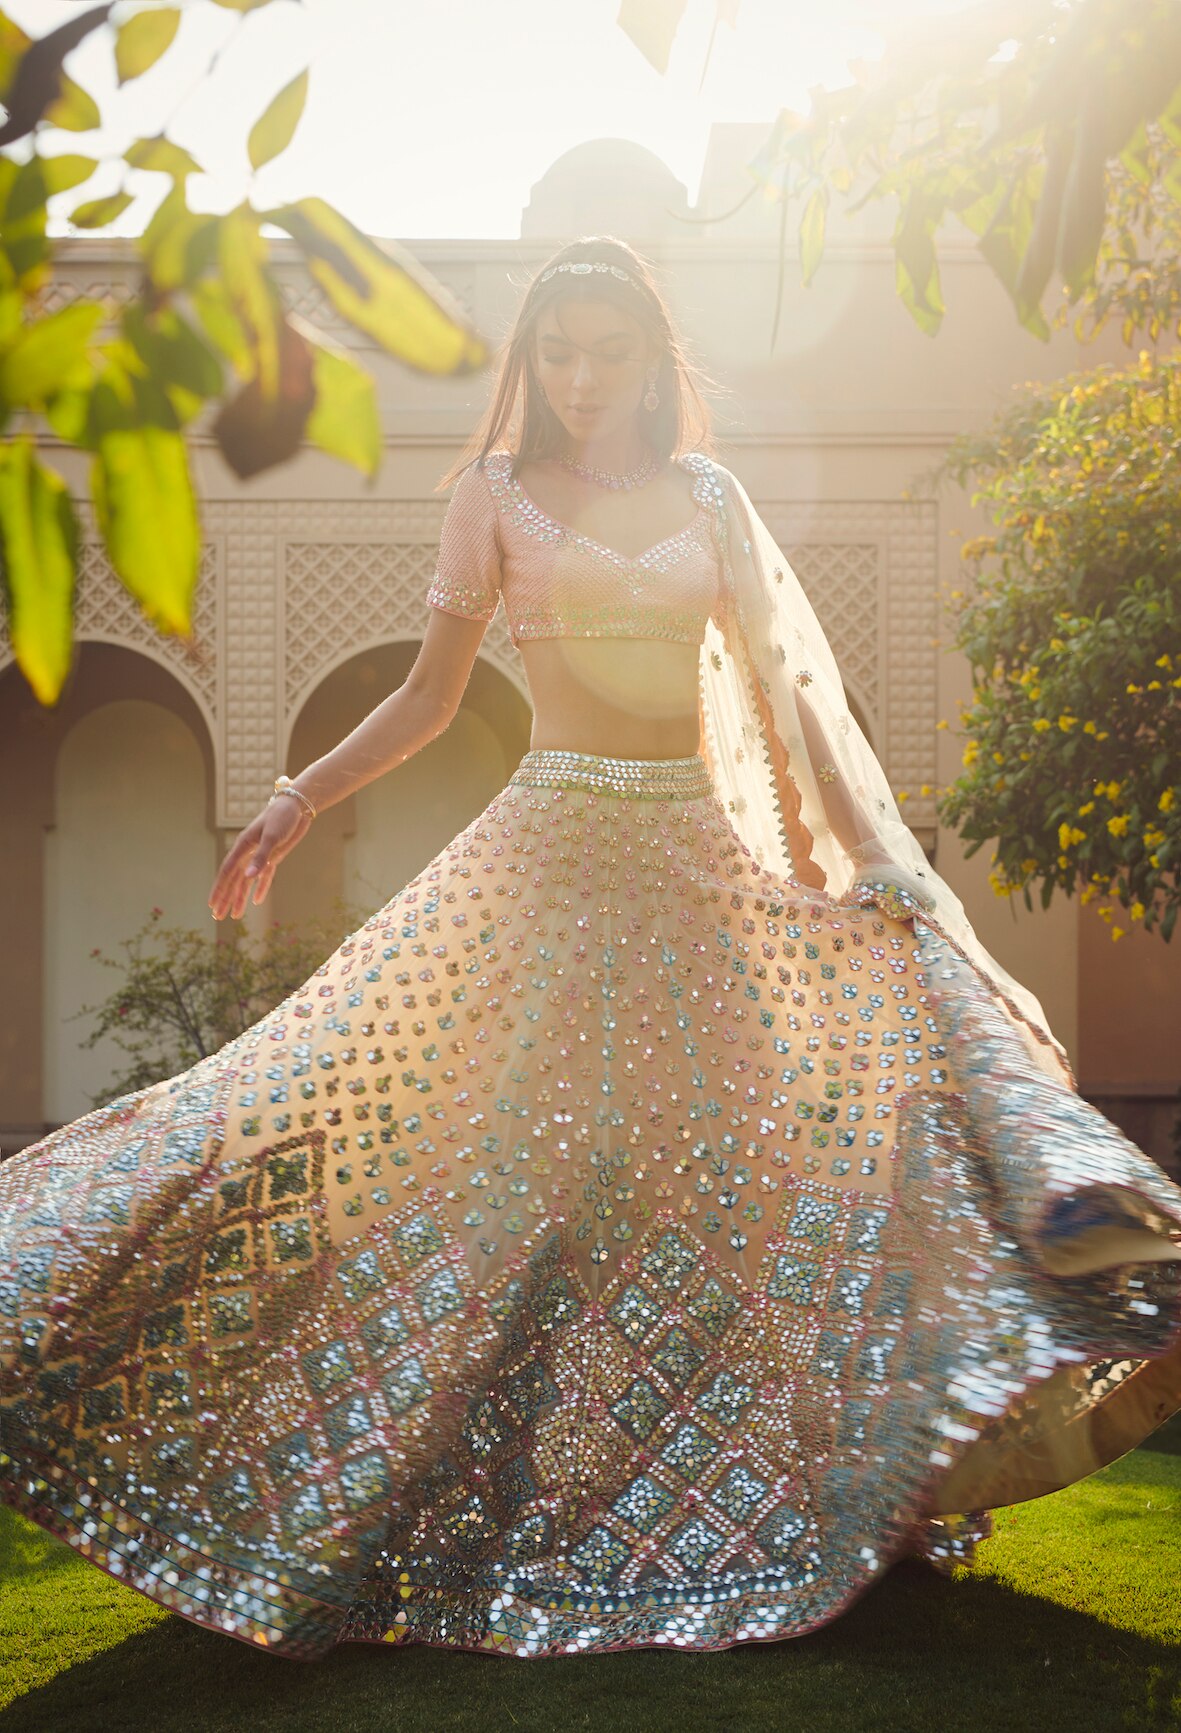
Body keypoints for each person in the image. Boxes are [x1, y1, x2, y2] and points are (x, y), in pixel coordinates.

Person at [2, 236, 1179, 1663]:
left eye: (599, 353)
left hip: (693, 865)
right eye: (552, 353)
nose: (573, 380)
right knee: (411, 1143)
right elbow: (435, 699)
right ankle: (414, 1495)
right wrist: (299, 792)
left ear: (647, 358)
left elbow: (784, 687)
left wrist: (873, 853)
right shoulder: (490, 497)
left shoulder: (710, 497)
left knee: (752, 1171)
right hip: (541, 865)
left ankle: (798, 1496)